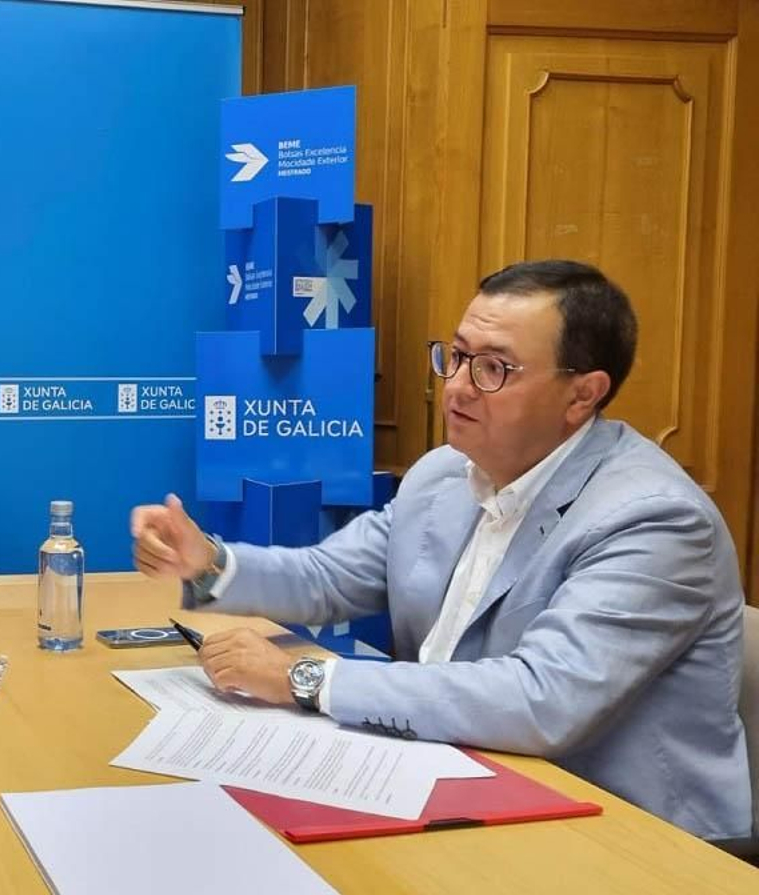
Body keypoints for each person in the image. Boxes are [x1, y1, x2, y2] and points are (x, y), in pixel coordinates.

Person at [133, 259, 751, 840]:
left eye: (494, 369)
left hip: (626, 833)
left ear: (582, 395)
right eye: (456, 357)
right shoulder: (445, 473)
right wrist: (209, 563)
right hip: (461, 778)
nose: (457, 386)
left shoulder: (652, 518)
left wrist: (306, 678)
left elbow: (542, 699)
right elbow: (329, 576)